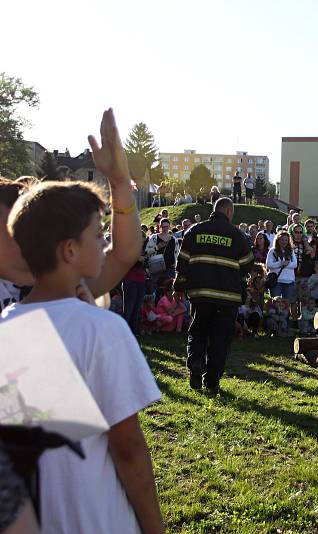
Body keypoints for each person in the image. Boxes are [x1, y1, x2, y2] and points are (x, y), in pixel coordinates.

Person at [2, 181, 164, 533]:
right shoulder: (102, 329)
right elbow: (128, 447)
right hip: (97, 519)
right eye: (98, 234)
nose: (105, 244)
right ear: (70, 250)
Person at [0, 109, 141, 312]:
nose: (23, 228)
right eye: (11, 223)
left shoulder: (61, 285)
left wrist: (119, 182)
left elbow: (123, 255)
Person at [175, 197, 254, 393]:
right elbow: (248, 265)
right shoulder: (237, 235)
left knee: (198, 331)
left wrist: (178, 287)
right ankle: (212, 382)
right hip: (228, 298)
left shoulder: (194, 231)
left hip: (200, 294)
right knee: (220, 340)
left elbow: (182, 261)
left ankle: (195, 362)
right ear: (228, 212)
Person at [267, 230, 298, 302]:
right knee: (275, 303)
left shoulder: (291, 251)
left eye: (286, 240)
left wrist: (287, 264)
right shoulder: (272, 251)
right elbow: (268, 265)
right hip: (276, 281)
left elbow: (295, 264)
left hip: (289, 281)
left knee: (287, 304)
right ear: (278, 240)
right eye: (282, 240)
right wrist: (280, 264)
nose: (284, 242)